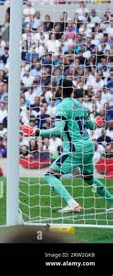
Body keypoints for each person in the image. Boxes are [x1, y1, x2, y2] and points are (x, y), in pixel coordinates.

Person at [21, 79, 113, 213]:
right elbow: (91, 126)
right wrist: (96, 122)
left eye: (58, 87)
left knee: (50, 175)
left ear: (61, 90)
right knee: (89, 179)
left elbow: (58, 130)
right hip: (88, 147)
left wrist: (36, 131)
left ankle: (72, 203)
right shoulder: (80, 105)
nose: (56, 89)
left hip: (74, 149)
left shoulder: (62, 107)